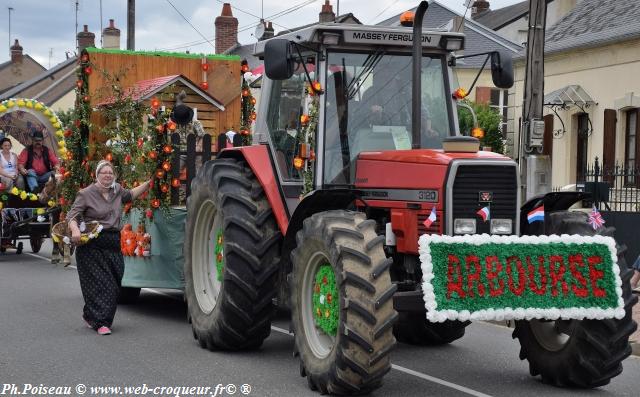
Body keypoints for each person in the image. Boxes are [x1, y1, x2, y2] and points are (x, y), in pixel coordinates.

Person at [66, 160, 151, 335]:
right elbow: (72, 215)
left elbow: (131, 195)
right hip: (92, 244)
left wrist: (148, 183)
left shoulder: (117, 190)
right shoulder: (85, 194)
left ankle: (90, 315)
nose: (107, 175)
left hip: (112, 241)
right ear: (97, 175)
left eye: (110, 173)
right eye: (104, 172)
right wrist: (74, 230)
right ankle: (102, 322)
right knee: (98, 283)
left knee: (115, 282)